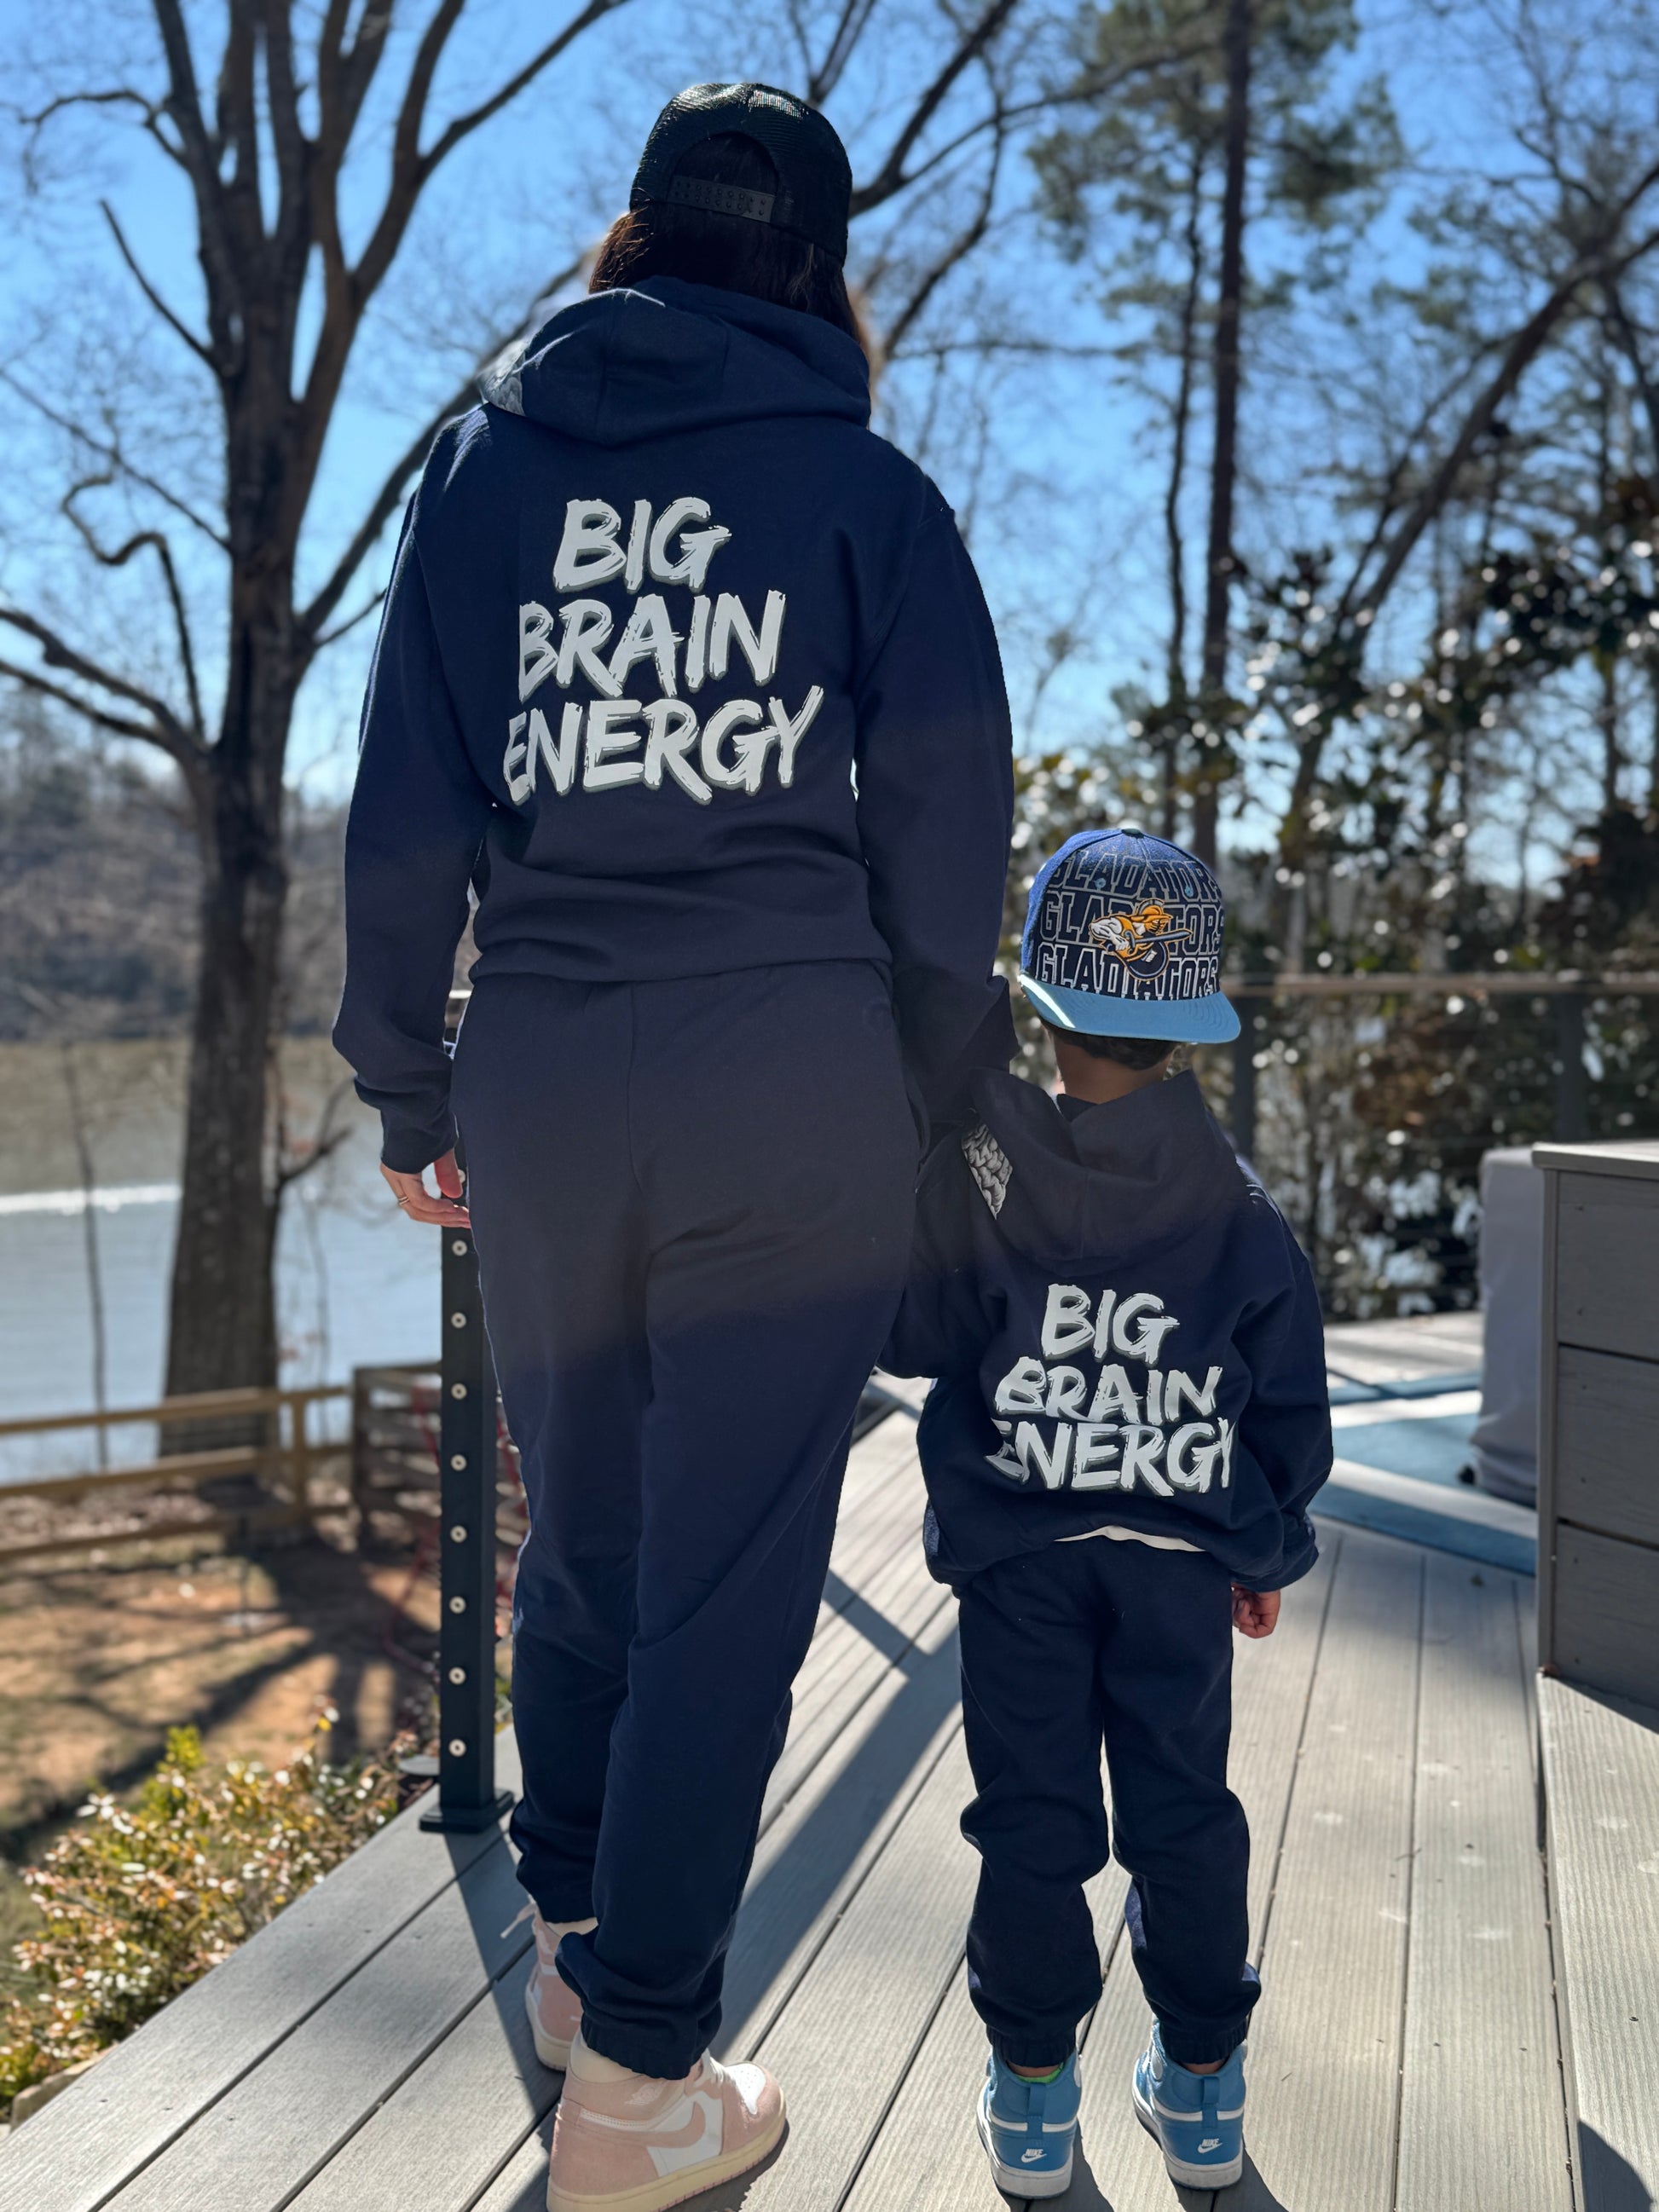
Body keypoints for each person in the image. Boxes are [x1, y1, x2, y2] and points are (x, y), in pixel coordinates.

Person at [332, 80, 1015, 2212]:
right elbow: (945, 849)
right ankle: (644, 2076)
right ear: (818, 268)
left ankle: (570, 1962)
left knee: (588, 1535)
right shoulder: (868, 499)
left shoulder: (474, 472)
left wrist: (406, 1083)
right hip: (792, 1078)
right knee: (726, 1575)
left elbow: (403, 812)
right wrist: (941, 1106)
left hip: (541, 1069)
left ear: (630, 235)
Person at [882, 825, 1332, 2198]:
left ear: (1041, 997)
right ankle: (1199, 2089)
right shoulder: (1244, 1218)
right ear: (1187, 1021)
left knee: (1030, 1820)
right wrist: (1259, 1544)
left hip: (1020, 1557)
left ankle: (1030, 2097)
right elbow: (1284, 1415)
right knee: (1182, 1813)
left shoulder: (985, 1164)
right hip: (1177, 1570)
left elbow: (915, 1333)